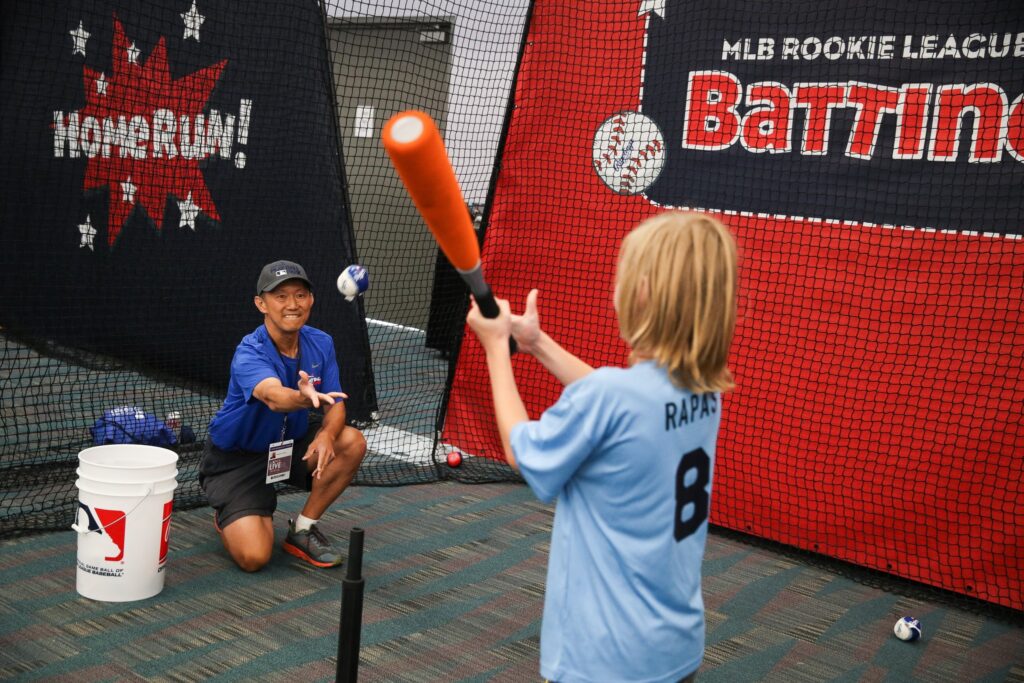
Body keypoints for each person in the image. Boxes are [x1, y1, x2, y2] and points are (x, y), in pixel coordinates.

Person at [466, 212, 738, 683]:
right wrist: (535, 343)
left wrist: (495, 348)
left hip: (605, 660)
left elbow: (520, 450)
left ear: (644, 295)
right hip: (675, 648)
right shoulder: (702, 391)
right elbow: (619, 405)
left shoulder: (613, 397)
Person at [200, 260, 367, 571]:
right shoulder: (249, 351)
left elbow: (336, 402)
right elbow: (273, 397)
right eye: (280, 297)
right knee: (254, 558)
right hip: (238, 459)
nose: (293, 305)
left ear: (311, 300)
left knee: (351, 441)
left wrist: (328, 435)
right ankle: (230, 512)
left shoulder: (321, 342)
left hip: (287, 446)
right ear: (261, 304)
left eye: (300, 295)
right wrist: (303, 397)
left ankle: (302, 529)